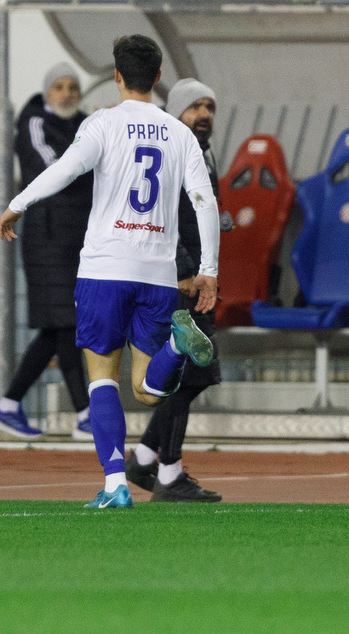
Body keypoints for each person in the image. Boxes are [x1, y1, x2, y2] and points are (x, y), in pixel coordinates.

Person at [0, 34, 219, 509]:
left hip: (104, 268)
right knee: (148, 391)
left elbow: (64, 171)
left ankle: (116, 484)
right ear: (158, 79)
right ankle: (179, 344)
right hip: (158, 273)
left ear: (117, 77)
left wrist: (17, 204)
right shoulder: (180, 134)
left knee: (102, 379)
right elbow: (205, 202)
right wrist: (209, 270)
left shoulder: (101, 124)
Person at [0, 65, 93, 440]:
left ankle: (7, 406)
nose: (67, 93)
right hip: (47, 240)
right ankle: (84, 414)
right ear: (47, 93)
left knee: (55, 327)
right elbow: (59, 170)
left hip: (78, 239)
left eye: (73, 86)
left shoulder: (89, 124)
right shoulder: (33, 122)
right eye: (59, 87)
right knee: (66, 325)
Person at [126, 77, 224, 502]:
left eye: (209, 107)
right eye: (194, 107)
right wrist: (185, 270)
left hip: (197, 275)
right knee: (186, 375)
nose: (203, 115)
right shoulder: (175, 152)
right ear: (176, 112)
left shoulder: (200, 152)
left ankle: (147, 456)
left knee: (194, 374)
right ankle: (168, 471)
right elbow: (162, 217)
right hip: (182, 279)